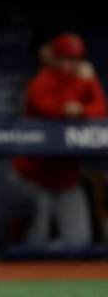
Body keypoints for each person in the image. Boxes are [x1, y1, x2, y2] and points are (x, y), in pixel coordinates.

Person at [13, 33, 106, 246]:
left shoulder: (84, 80)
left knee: (78, 242)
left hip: (66, 179)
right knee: (37, 239)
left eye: (75, 59)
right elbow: (55, 110)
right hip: (34, 177)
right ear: (54, 58)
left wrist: (89, 85)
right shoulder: (40, 82)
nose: (70, 64)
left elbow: (101, 109)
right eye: (65, 58)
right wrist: (81, 89)